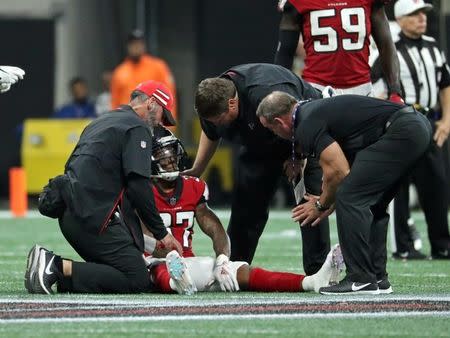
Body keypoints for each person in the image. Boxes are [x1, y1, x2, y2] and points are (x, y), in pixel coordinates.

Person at [257, 92, 432, 294]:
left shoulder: (305, 124)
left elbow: (339, 172)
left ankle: (360, 278)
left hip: (402, 131)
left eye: (271, 129)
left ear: (279, 122)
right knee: (374, 204)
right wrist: (328, 202)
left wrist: (320, 204)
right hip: (415, 127)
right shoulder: (313, 111)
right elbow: (346, 172)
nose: (273, 134)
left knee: (351, 197)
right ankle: (377, 277)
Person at [24, 80, 182, 295]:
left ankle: (55, 273)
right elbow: (138, 186)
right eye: (164, 115)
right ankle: (56, 265)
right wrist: (162, 233)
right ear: (152, 103)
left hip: (71, 213)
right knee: (137, 279)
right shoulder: (136, 127)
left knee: (118, 270)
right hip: (92, 215)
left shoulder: (101, 121)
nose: (162, 124)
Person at [142, 132, 344, 294]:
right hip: (153, 260)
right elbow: (141, 236)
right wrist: (166, 253)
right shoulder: (140, 191)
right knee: (158, 270)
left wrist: (222, 259)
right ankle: (175, 283)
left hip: (187, 262)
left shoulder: (193, 187)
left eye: (172, 156)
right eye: (164, 158)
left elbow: (214, 227)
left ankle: (311, 281)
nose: (171, 162)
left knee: (238, 270)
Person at [185, 63, 329, 276]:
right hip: (260, 143)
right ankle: (234, 266)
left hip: (302, 136)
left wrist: (297, 155)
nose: (216, 124)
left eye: (218, 120)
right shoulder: (213, 99)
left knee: (309, 202)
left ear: (232, 104)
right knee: (246, 203)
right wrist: (197, 168)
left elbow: (299, 118)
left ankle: (318, 272)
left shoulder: (266, 92)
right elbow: (211, 132)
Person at [372, 0, 450, 260]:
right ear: (401, 19)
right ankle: (402, 247)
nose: (422, 18)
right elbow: (374, 89)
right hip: (402, 121)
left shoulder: (432, 46)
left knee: (437, 185)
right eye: (415, 14)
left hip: (429, 119)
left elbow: (445, 84)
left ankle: (442, 245)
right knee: (398, 189)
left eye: (424, 14)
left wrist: (447, 120)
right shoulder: (388, 49)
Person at [275, 0, 403, 101]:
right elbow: (285, 53)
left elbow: (386, 44)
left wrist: (395, 91)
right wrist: (280, 91)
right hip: (317, 88)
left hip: (362, 88)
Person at [111, 29, 177, 121]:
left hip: (151, 121)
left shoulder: (158, 67)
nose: (136, 47)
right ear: (128, 46)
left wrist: (168, 121)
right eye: (133, 44)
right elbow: (114, 102)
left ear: (144, 46)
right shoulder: (119, 72)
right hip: (126, 123)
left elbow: (169, 95)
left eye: (139, 44)